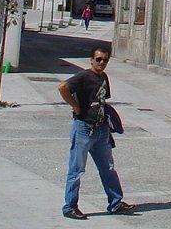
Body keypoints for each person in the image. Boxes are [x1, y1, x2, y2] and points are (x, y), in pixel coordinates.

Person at [57, 46, 135, 220]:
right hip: (84, 128)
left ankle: (115, 203)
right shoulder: (84, 76)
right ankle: (70, 207)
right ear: (91, 60)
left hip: (100, 129)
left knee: (108, 168)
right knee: (77, 169)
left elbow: (102, 101)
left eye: (105, 60)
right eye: (98, 59)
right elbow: (63, 87)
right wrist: (75, 106)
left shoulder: (103, 77)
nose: (101, 63)